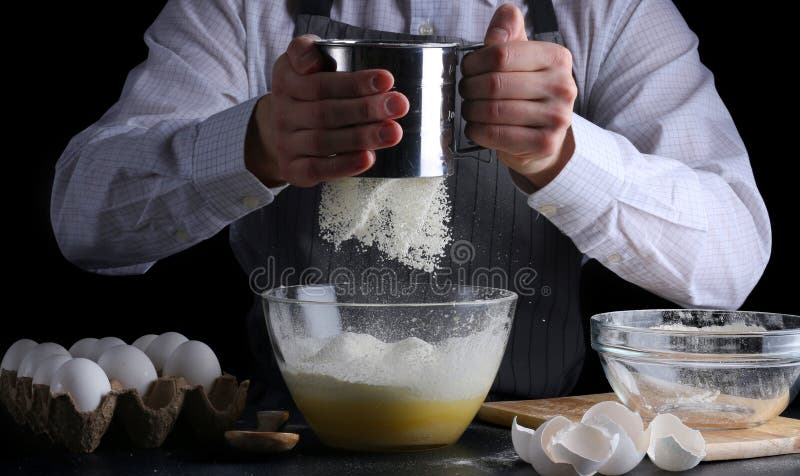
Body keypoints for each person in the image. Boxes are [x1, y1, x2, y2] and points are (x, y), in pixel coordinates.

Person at [51, 0, 770, 400]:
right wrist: (253, 143)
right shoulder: (242, 11)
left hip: (532, 464)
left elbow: (730, 260)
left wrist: (566, 157)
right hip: (287, 455)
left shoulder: (613, 12)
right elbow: (82, 221)